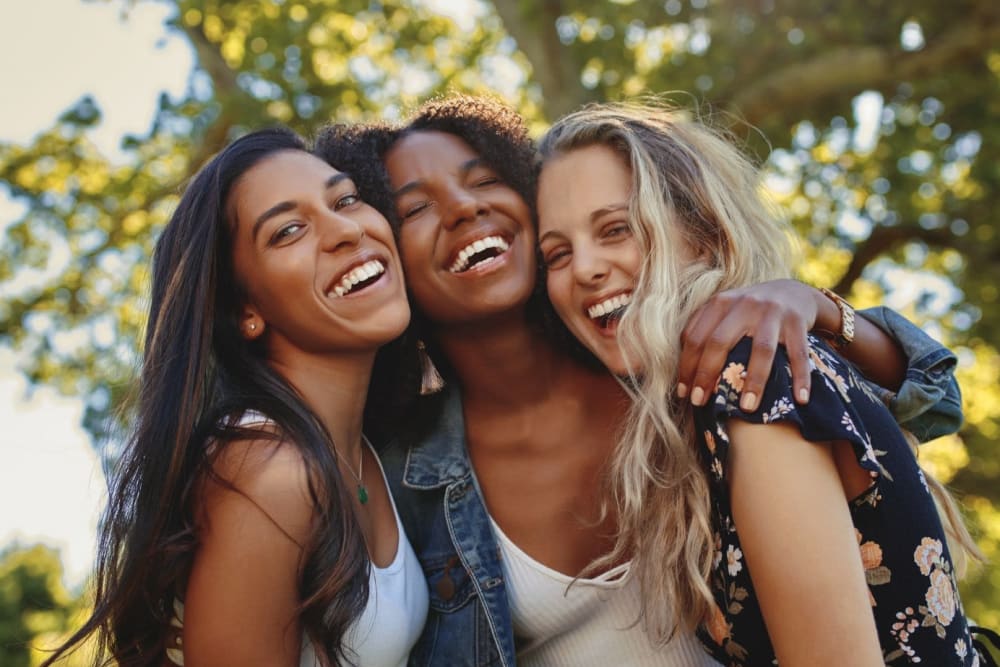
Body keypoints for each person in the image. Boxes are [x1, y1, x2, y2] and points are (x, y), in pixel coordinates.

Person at [317, 95, 965, 667]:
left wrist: (818, 306)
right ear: (385, 258)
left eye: (482, 179)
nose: (462, 208)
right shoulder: (401, 474)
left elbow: (930, 400)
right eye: (414, 209)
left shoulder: (692, 360)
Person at [535, 101, 984, 665]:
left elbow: (938, 401)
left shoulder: (757, 379)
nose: (584, 267)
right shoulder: (693, 401)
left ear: (702, 231)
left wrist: (819, 306)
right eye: (557, 254)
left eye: (616, 229)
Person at [42, 128, 427, 667]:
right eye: (289, 231)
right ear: (246, 311)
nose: (344, 229)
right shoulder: (267, 471)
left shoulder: (366, 448)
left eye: (345, 200)